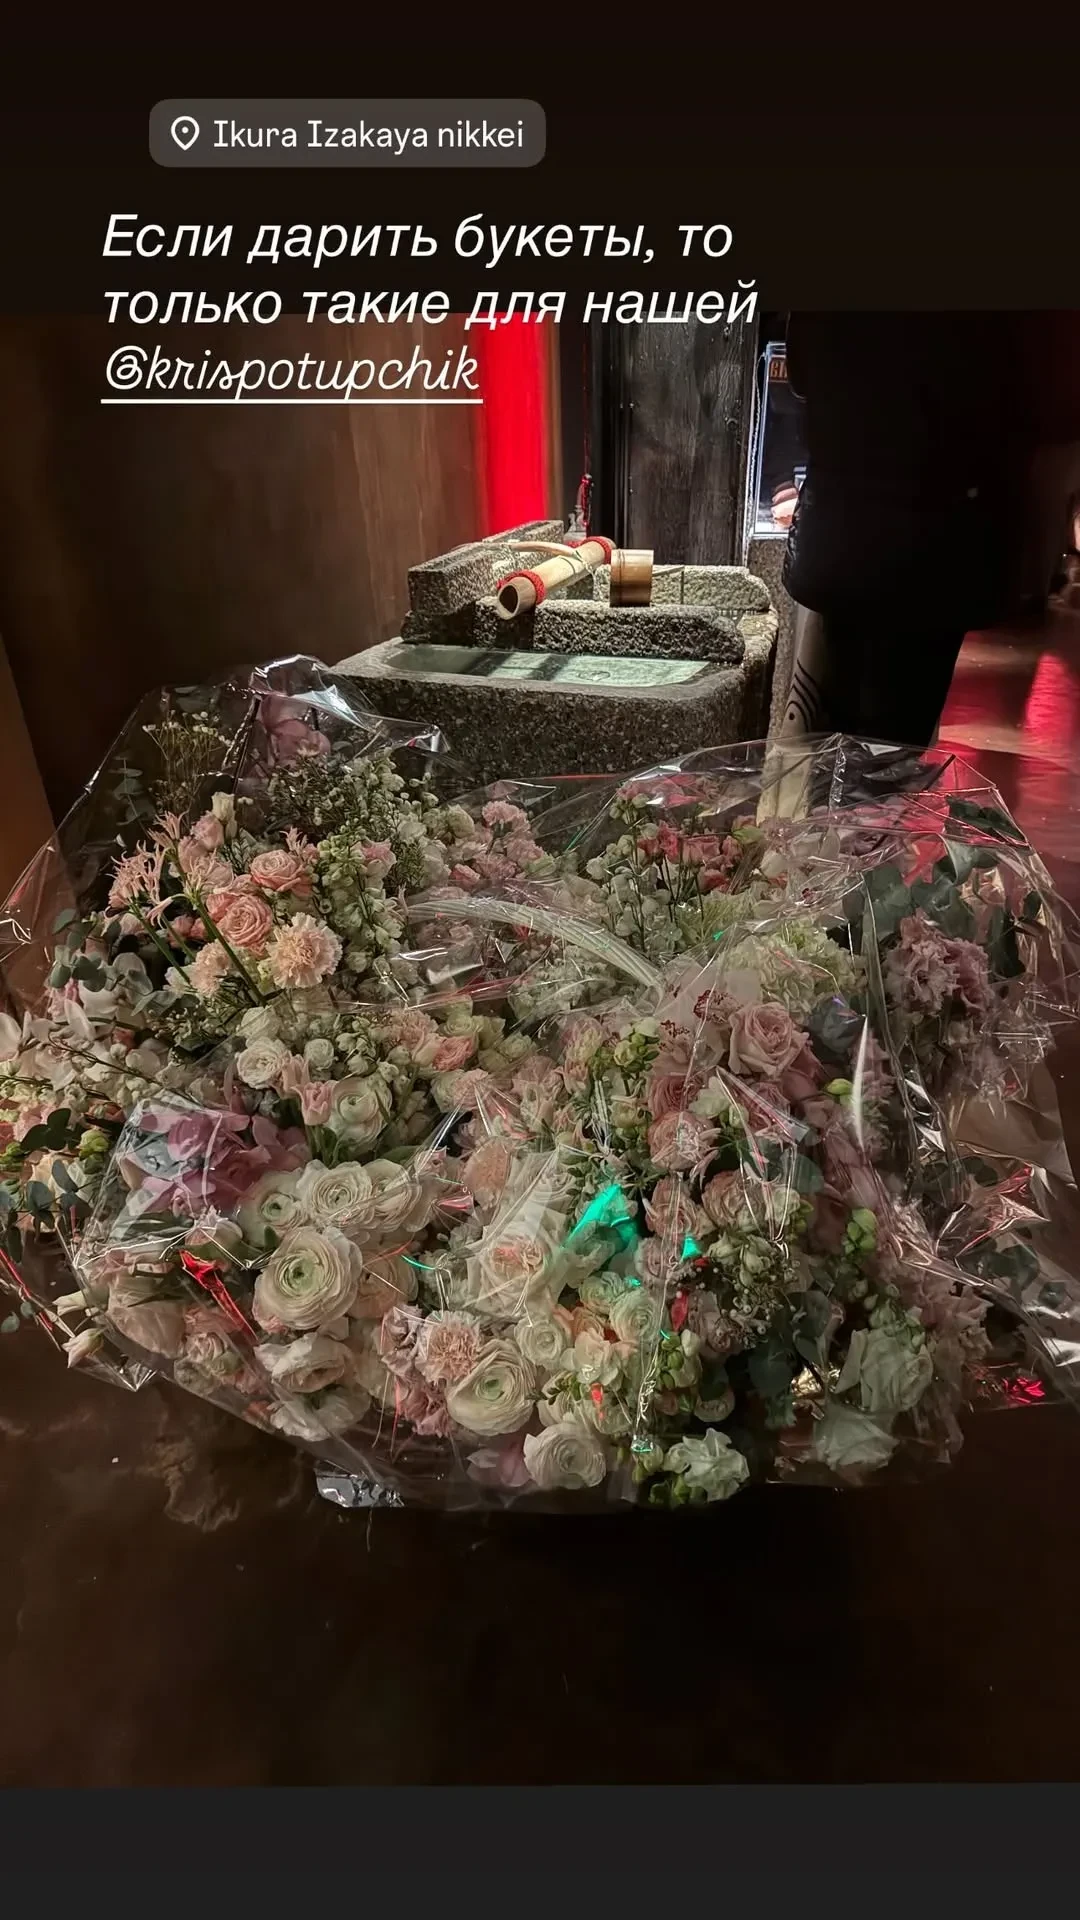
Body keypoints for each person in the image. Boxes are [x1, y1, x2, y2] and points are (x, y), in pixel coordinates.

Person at [780, 313, 1028, 747]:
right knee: (892, 741)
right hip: (932, 545)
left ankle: (835, 787)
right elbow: (1014, 400)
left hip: (843, 533)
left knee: (832, 724)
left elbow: (801, 373)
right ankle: (864, 787)